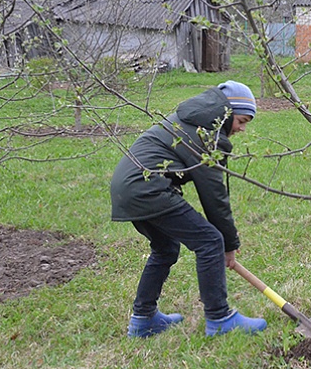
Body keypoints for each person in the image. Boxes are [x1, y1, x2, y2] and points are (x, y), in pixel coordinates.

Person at [111, 80, 268, 338]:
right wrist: (228, 243)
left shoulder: (192, 119)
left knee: (165, 248)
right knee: (209, 241)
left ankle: (143, 320)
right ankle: (220, 319)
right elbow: (214, 196)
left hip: (127, 188)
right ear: (226, 114)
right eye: (241, 120)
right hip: (147, 188)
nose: (241, 128)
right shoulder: (206, 134)